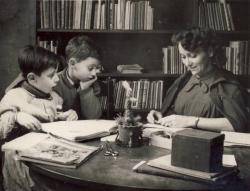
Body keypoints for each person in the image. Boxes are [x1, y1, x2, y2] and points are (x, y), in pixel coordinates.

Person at [0, 45, 77, 191]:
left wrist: (64, 117)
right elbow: (1, 127)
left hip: (48, 156)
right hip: (21, 163)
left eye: (57, 73)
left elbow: (50, 121)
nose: (57, 79)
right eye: (51, 75)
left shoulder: (54, 97)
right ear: (32, 78)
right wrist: (17, 116)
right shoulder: (15, 96)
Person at [147, 27, 249, 132]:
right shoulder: (184, 80)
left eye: (193, 56)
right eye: (183, 57)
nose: (187, 63)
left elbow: (238, 124)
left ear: (210, 52)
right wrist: (160, 115)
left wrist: (191, 121)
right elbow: (175, 114)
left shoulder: (226, 84)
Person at [51, 35, 103, 119]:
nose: (94, 73)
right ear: (72, 63)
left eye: (97, 68)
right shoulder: (55, 82)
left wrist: (85, 90)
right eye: (90, 68)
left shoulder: (91, 81)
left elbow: (94, 116)